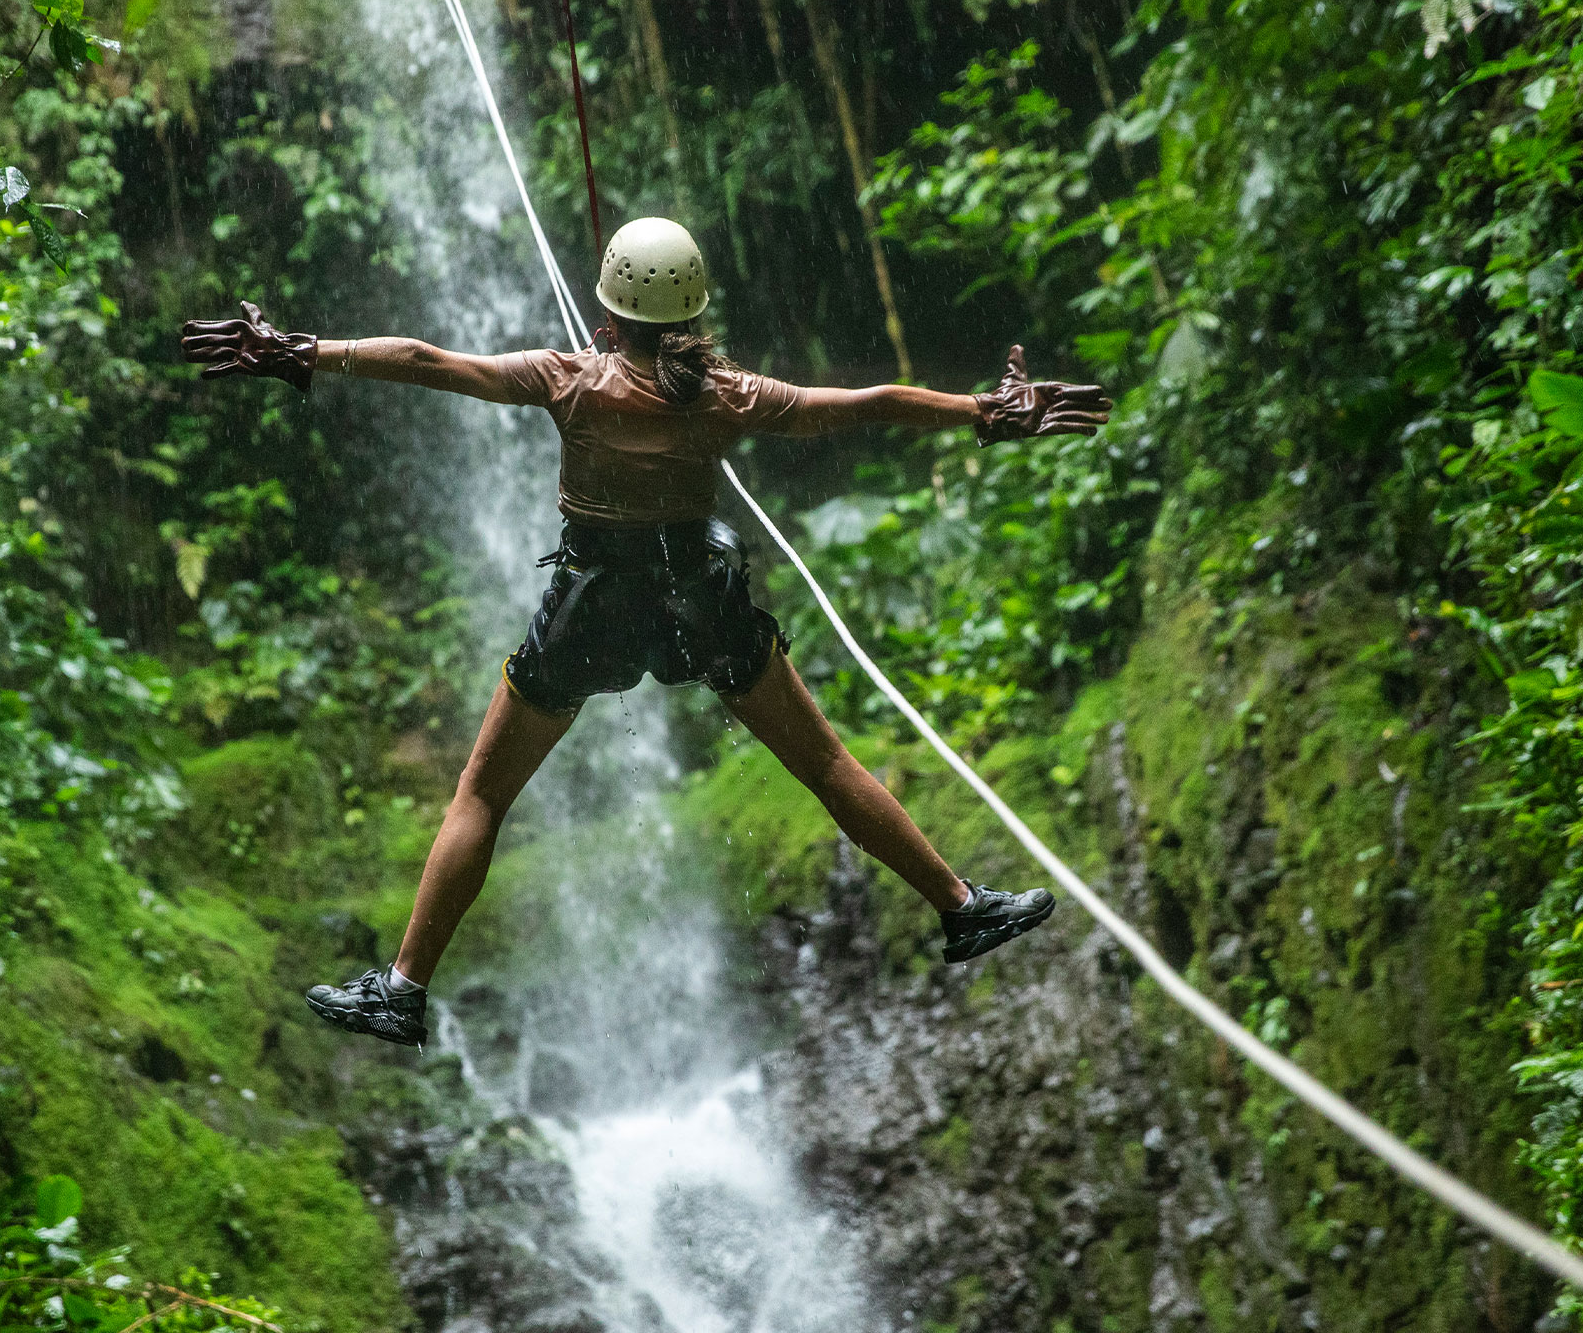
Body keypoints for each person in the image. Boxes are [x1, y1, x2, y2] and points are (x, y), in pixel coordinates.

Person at [178, 217, 1113, 1047]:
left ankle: (402, 990)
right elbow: (866, 405)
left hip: (594, 606)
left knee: (482, 794)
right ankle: (959, 907)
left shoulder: (568, 381)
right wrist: (987, 413)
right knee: (826, 766)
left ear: (609, 315)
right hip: (699, 602)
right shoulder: (731, 397)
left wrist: (302, 351)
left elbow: (430, 362)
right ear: (696, 313)